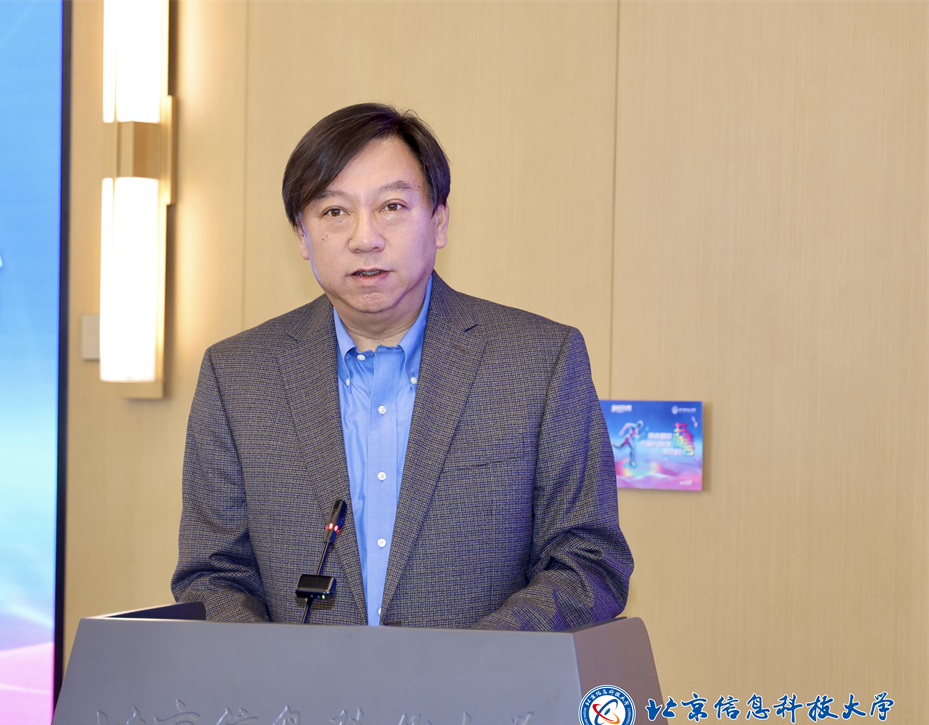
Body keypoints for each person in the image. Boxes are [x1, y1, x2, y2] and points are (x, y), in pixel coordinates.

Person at [172, 103, 632, 630]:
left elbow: (588, 562)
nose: (364, 237)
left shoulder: (539, 362)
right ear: (301, 235)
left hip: (483, 683)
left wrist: (469, 662)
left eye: (392, 206)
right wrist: (276, 668)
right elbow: (212, 575)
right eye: (334, 212)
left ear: (439, 221)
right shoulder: (238, 376)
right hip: (295, 686)